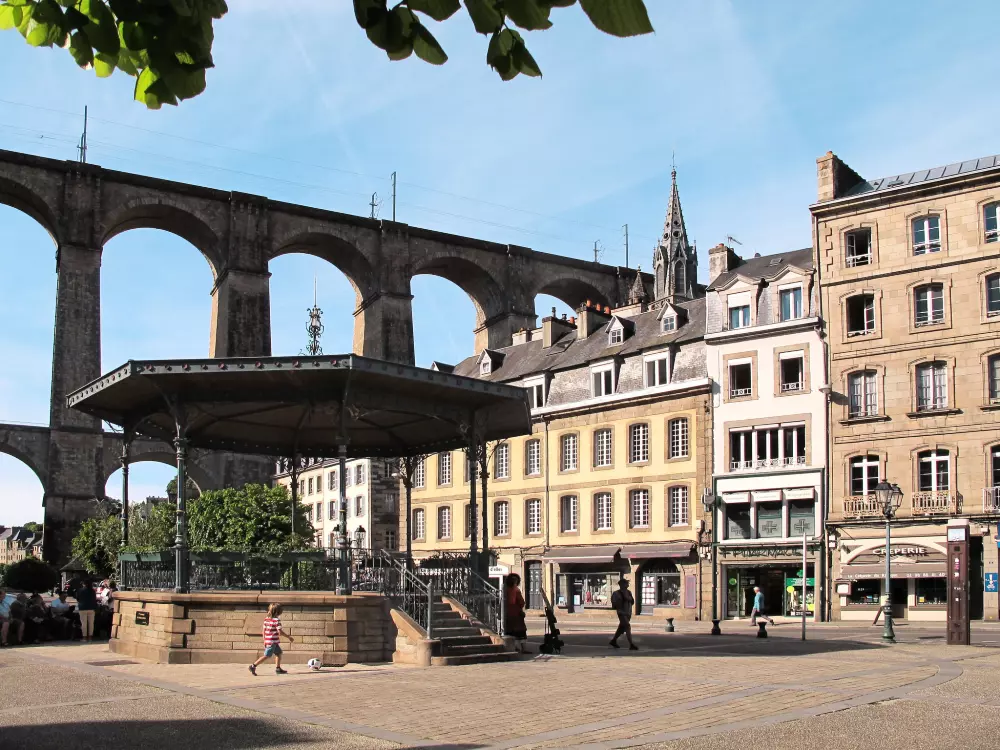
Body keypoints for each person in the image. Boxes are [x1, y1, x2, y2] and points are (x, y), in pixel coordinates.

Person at [249, 603, 294, 675]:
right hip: (272, 642)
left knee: (278, 653)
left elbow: (263, 631)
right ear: (278, 612)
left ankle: (278, 668)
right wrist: (289, 637)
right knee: (267, 655)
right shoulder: (276, 620)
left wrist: (264, 640)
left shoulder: (266, 619)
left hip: (271, 641)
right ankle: (253, 666)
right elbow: (280, 632)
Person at [503, 573, 529, 654]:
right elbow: (521, 602)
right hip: (516, 613)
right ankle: (523, 648)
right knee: (521, 632)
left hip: (507, 613)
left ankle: (515, 647)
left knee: (511, 632)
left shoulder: (505, 589)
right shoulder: (516, 590)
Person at [609, 578, 638, 650]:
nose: (628, 584)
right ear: (622, 585)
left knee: (621, 628)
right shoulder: (616, 593)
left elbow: (632, 602)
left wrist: (629, 599)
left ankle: (613, 640)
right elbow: (614, 604)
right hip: (621, 613)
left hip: (628, 613)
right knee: (627, 626)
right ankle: (631, 644)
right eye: (626, 583)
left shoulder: (629, 592)